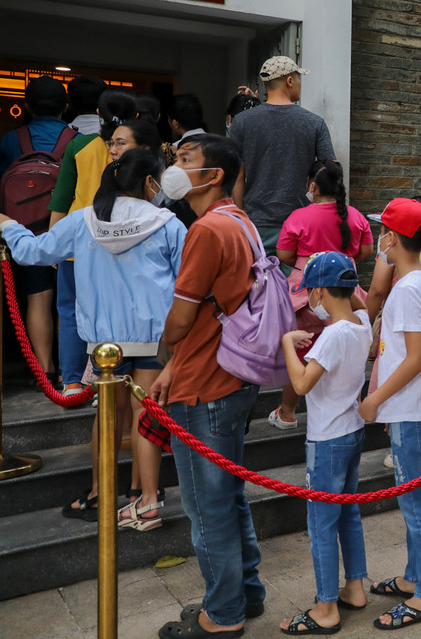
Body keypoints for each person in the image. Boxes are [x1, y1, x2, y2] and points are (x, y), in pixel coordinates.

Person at [3, 148, 184, 529]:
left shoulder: (82, 220)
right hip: (155, 338)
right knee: (146, 417)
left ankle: (101, 494)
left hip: (104, 346)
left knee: (107, 417)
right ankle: (145, 500)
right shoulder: (167, 223)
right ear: (150, 183)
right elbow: (188, 279)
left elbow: (33, 252)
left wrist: (8, 225)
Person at [149, 134, 264, 638]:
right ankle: (244, 593)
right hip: (227, 376)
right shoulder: (240, 221)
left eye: (185, 159)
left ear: (213, 174)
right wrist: (175, 363)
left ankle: (222, 615)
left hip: (206, 387)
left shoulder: (207, 229)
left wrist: (164, 352)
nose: (175, 167)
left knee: (206, 505)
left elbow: (180, 318)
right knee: (228, 494)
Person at [358, 198, 421, 628]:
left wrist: (376, 398)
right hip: (414, 406)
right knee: (414, 499)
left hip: (412, 408)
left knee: (417, 504)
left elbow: (415, 357)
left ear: (392, 238)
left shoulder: (410, 287)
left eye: (383, 232)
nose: (380, 240)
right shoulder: (417, 279)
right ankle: (415, 578)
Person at [277, 252, 372, 635]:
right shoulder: (362, 322)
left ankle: (326, 607)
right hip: (352, 431)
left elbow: (300, 385)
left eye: (311, 294)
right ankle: (355, 587)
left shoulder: (332, 335)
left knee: (321, 523)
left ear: (318, 292)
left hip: (327, 438)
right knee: (348, 514)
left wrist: (287, 342)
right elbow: (362, 304)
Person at [269, 159, 374, 428]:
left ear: (312, 186)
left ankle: (288, 413)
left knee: (301, 350)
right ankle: (353, 407)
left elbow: (284, 255)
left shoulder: (298, 217)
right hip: (345, 292)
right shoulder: (356, 216)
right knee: (350, 352)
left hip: (309, 294)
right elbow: (364, 252)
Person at [47, 88, 136, 395]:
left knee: (70, 311)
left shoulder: (79, 146)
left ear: (98, 115)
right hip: (122, 246)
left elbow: (62, 198)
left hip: (77, 244)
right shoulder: (139, 150)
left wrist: (54, 244)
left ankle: (72, 381)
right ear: (135, 117)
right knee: (115, 312)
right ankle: (110, 381)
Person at [0, 75, 70, 380]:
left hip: (24, 231)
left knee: (37, 298)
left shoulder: (9, 140)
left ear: (26, 105)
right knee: (68, 301)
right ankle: (71, 368)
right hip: (67, 230)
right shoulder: (77, 140)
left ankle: (44, 370)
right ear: (65, 106)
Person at [229, 55, 336, 255]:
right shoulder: (314, 123)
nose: (300, 84)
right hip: (301, 223)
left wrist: (241, 217)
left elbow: (237, 177)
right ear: (289, 80)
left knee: (260, 284)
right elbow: (330, 172)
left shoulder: (242, 122)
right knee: (295, 284)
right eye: (298, 78)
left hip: (255, 223)